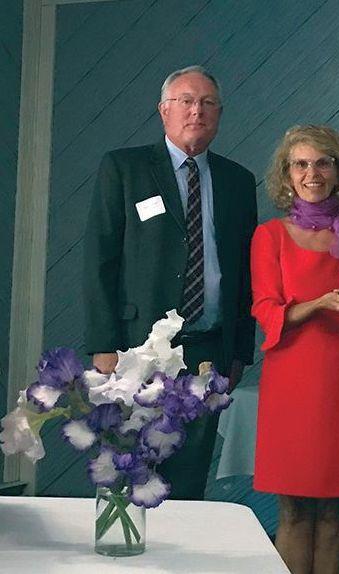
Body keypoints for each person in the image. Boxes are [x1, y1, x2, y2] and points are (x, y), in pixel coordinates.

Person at [83, 65, 257, 500]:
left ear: (219, 114)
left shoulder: (237, 181)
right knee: (127, 477)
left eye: (207, 103)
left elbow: (245, 270)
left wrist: (239, 350)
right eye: (186, 101)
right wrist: (103, 345)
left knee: (188, 484)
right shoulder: (125, 168)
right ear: (164, 110)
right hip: (134, 351)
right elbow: (99, 260)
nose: (197, 111)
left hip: (207, 352)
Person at [251, 125, 339, 574]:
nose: (313, 173)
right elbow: (266, 310)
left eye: (323, 163)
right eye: (301, 164)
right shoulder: (269, 235)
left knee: (332, 511)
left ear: (338, 170)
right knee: (293, 511)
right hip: (292, 387)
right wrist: (319, 304)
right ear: (287, 175)